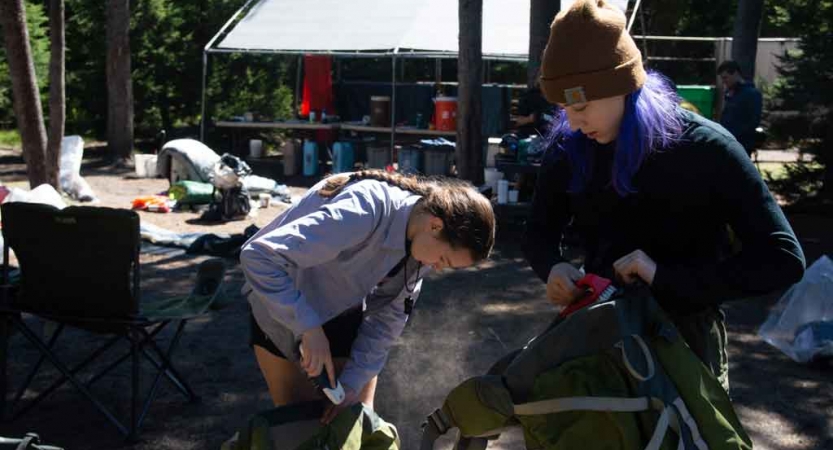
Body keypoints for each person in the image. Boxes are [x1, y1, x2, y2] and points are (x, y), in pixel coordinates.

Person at [525, 0, 805, 390]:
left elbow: (783, 258)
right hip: (600, 336)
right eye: (563, 108)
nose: (572, 121)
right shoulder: (570, 146)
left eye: (583, 105)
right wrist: (551, 267)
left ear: (623, 85)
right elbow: (539, 232)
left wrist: (664, 277)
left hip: (689, 349)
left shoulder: (705, 147)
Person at [240, 169, 495, 423]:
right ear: (435, 225)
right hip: (280, 307)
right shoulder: (363, 211)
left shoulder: (420, 250)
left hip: (340, 308)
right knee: (301, 426)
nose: (438, 267)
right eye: (443, 259)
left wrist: (351, 386)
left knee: (354, 420)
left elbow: (386, 324)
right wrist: (308, 327)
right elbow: (258, 257)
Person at [718, 60, 763, 157]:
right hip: (727, 142)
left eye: (726, 77)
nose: (724, 82)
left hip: (742, 144)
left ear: (735, 74)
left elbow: (754, 121)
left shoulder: (752, 94)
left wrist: (734, 135)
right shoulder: (731, 94)